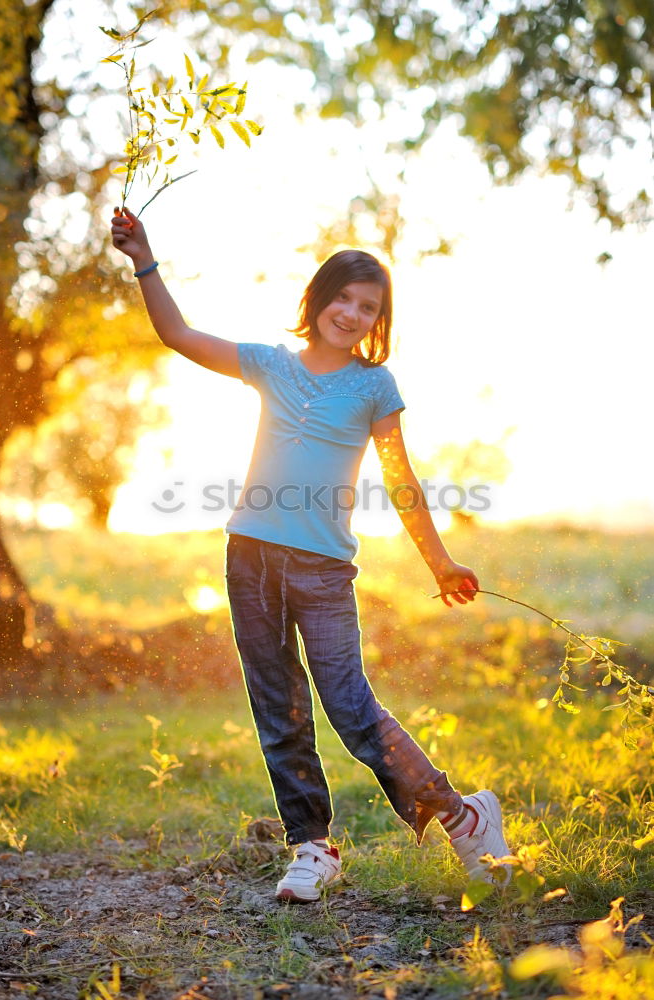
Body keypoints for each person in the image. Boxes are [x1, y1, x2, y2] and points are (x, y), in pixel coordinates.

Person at [111, 206, 512, 903]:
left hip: (323, 571)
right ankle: (311, 846)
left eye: (368, 306)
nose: (352, 314)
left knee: (350, 707)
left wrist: (439, 562)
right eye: (343, 298)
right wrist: (144, 259)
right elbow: (176, 334)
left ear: (378, 319)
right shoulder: (268, 365)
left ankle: (460, 813)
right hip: (249, 559)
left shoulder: (373, 387)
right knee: (277, 705)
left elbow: (399, 479)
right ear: (317, 297)